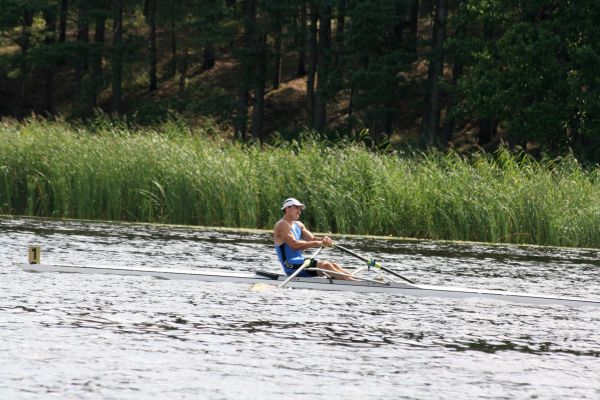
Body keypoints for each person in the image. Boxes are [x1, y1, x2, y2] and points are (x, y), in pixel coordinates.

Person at [274, 197, 354, 280]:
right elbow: (294, 245)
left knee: (333, 265)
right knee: (326, 265)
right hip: (290, 265)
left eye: (300, 209)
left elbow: (312, 239)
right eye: (297, 208)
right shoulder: (282, 224)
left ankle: (356, 282)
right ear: (287, 208)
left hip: (300, 262)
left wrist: (324, 240)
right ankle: (354, 283)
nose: (299, 212)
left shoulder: (298, 224)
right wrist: (316, 243)